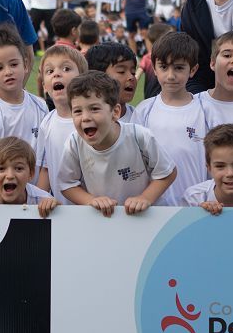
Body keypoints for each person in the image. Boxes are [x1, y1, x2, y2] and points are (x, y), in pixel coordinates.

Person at [56, 71, 176, 216]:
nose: (85, 118)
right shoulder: (74, 143)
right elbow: (67, 184)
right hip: (105, 221)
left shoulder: (139, 137)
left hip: (145, 220)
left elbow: (167, 172)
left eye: (94, 109)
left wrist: (144, 198)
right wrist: (91, 201)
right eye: (77, 111)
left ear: (115, 112)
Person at [133, 33, 208, 206]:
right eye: (164, 67)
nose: (171, 75)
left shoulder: (206, 110)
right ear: (154, 67)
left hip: (197, 207)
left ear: (193, 70)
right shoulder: (144, 110)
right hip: (153, 209)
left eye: (179, 68)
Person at [0, 24, 49, 164]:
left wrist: (38, 187)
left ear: (25, 65)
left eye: (13, 64)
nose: (8, 72)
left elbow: (47, 159)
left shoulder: (41, 106)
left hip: (37, 185)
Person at [34, 44, 88, 202]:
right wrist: (38, 200)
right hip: (60, 211)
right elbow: (45, 169)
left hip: (94, 207)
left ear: (82, 78)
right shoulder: (47, 123)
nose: (57, 74)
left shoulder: (90, 120)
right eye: (50, 71)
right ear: (44, 85)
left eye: (65, 69)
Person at [0, 137, 58, 218]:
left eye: (19, 168)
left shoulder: (43, 200)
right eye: (1, 169)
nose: (10, 176)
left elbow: (60, 226)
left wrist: (57, 209)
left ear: (31, 173)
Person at [86, 42, 137, 122]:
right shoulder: (84, 119)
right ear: (97, 77)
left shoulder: (140, 117)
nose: (131, 77)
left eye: (133, 72)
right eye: (121, 71)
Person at [136, 21, 175, 100]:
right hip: (153, 98)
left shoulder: (147, 57)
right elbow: (136, 76)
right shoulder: (148, 58)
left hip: (152, 97)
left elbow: (137, 76)